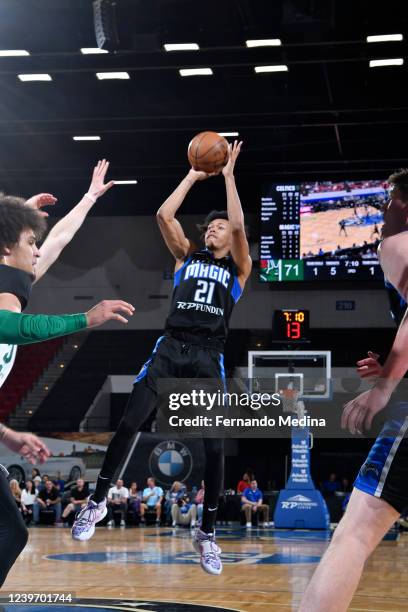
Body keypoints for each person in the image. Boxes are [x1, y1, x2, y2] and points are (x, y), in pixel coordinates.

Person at [72, 141, 252, 576]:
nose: (213, 230)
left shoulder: (239, 269)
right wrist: (193, 173)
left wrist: (228, 176)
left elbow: (242, 226)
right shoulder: (185, 258)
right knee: (131, 422)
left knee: (214, 448)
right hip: (171, 347)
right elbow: (163, 216)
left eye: (220, 228)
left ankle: (206, 534)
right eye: (210, 227)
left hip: (209, 357)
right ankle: (96, 503)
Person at [0, 160, 134, 586]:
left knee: (10, 532)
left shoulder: (14, 277)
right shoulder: (3, 284)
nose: (37, 250)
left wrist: (88, 199)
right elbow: (13, 329)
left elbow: (57, 238)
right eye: (28, 241)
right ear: (6, 248)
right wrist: (84, 320)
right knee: (10, 531)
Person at [299, 169, 408, 611]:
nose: (383, 209)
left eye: (392, 199)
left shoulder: (397, 245)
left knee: (356, 532)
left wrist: (385, 386)